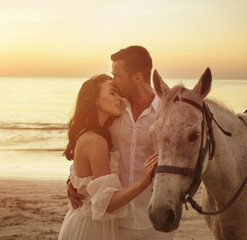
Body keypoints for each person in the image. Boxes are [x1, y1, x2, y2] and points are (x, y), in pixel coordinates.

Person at [67, 46, 174, 239]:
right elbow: (88, 144)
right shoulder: (115, 111)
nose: (113, 82)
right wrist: (74, 181)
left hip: (155, 221)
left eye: (117, 75)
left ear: (137, 78)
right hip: (117, 222)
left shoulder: (166, 114)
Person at [59, 74, 159, 240]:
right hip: (90, 229)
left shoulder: (96, 133)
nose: (120, 99)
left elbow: (84, 175)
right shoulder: (96, 140)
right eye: (112, 93)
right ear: (95, 100)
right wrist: (144, 181)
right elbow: (107, 204)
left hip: (92, 224)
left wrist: (71, 182)